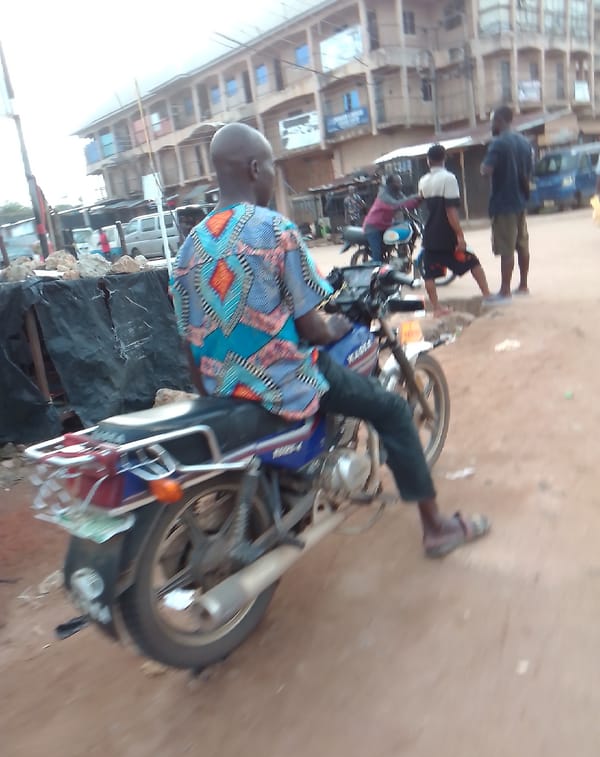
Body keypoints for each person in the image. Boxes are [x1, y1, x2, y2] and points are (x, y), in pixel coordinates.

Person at [171, 122, 489, 558]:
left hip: (220, 389)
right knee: (393, 409)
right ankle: (435, 528)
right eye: (268, 166)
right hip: (280, 382)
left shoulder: (189, 248)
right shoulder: (272, 229)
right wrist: (338, 326)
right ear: (252, 169)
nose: (270, 176)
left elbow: (189, 343)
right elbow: (313, 329)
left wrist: (211, 388)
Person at [414, 145, 494, 316]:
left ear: (428, 161)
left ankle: (436, 308)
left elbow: (420, 200)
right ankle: (487, 295)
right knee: (473, 261)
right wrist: (460, 235)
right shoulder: (448, 178)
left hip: (430, 235)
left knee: (429, 274)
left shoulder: (423, 181)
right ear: (445, 158)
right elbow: (451, 211)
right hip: (446, 235)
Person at [481, 106, 533, 298]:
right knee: (522, 245)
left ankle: (505, 290)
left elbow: (486, 170)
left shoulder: (498, 143)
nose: (491, 125)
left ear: (499, 121)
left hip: (503, 203)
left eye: (492, 120)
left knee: (507, 248)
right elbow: (528, 173)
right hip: (520, 201)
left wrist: (482, 168)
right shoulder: (524, 142)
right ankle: (523, 285)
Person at [363, 173, 408, 263]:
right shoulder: (384, 194)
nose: (400, 184)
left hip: (385, 224)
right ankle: (375, 271)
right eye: (398, 182)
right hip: (373, 227)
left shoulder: (397, 193)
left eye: (400, 181)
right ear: (391, 184)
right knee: (378, 255)